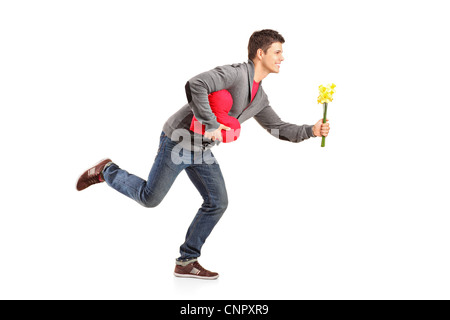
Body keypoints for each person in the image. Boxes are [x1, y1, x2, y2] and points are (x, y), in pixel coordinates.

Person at [76, 29, 330, 280]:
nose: (282, 57)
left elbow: (278, 128)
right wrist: (210, 124)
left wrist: (311, 130)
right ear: (260, 53)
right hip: (178, 140)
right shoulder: (235, 74)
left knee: (217, 202)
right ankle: (106, 170)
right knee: (149, 198)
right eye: (277, 52)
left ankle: (187, 260)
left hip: (202, 150)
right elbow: (195, 83)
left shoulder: (259, 97)